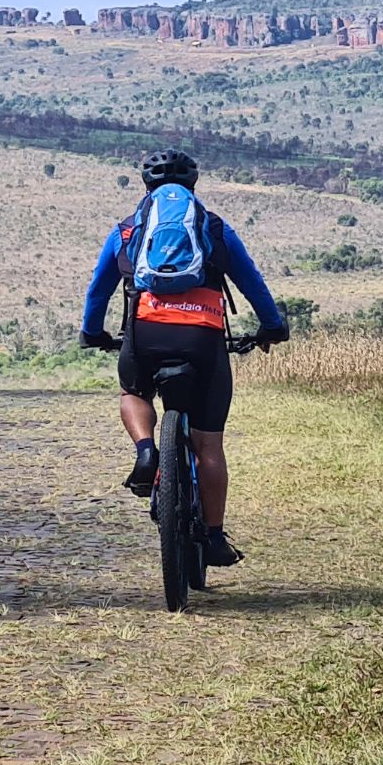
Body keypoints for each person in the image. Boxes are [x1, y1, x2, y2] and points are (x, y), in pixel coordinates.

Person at [79, 148, 288, 568]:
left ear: (147, 186)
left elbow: (98, 290)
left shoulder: (127, 230)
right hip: (203, 339)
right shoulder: (212, 227)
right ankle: (212, 537)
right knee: (209, 443)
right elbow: (253, 284)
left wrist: (92, 333)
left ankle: (144, 450)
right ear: (193, 185)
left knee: (133, 392)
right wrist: (272, 327)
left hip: (147, 334)